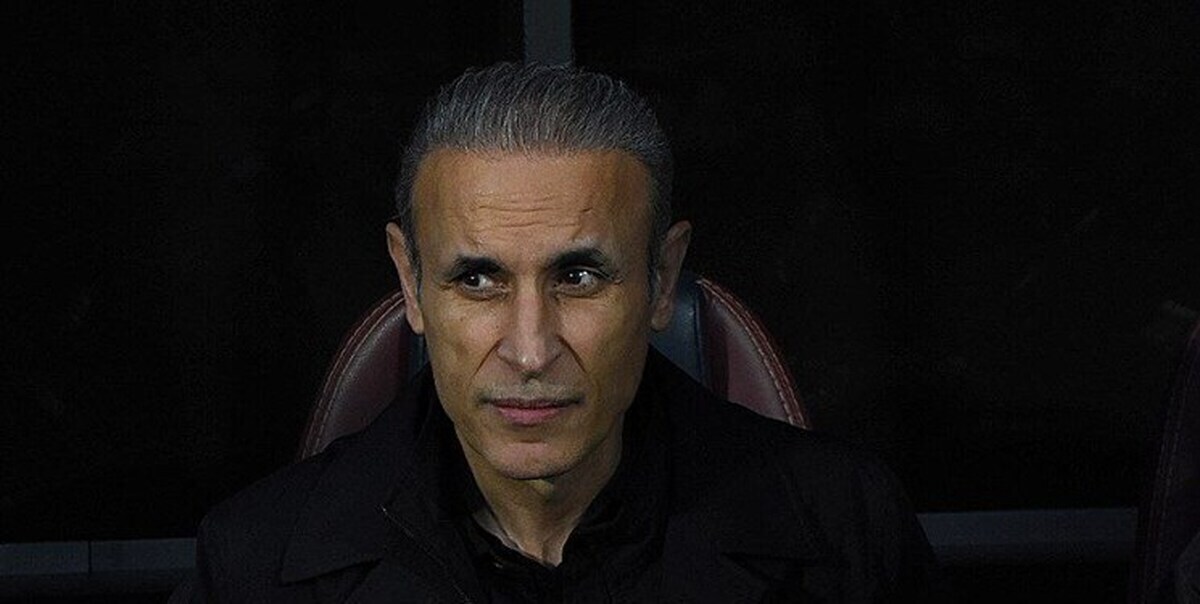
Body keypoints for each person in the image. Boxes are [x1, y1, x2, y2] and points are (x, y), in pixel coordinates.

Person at [176, 61, 935, 603]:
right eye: (478, 280)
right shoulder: (252, 565)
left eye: (578, 277)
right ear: (410, 283)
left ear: (661, 280)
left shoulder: (847, 534)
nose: (531, 351)